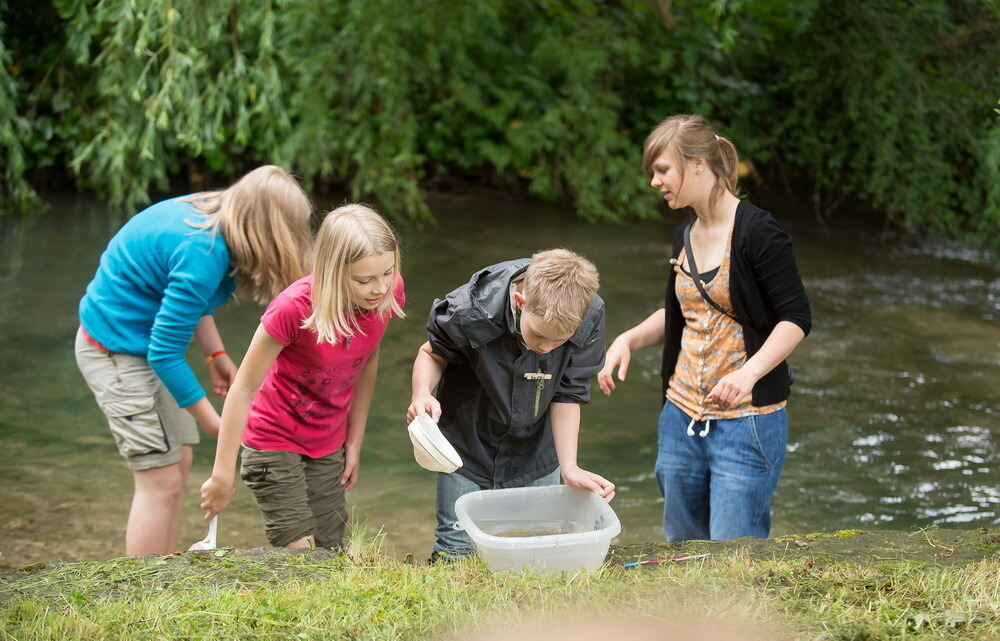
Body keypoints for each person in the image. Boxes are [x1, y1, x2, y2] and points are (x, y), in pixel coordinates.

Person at [75, 165, 313, 555]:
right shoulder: (203, 251)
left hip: (135, 345)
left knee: (177, 464)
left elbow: (185, 299)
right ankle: (143, 588)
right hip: (115, 352)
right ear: (271, 234)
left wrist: (215, 354)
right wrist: (220, 425)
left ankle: (162, 569)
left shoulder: (216, 217)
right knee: (160, 477)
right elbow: (164, 352)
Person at [597, 114, 811, 542]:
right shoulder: (684, 235)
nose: (655, 182)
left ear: (697, 164)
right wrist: (628, 339)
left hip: (746, 421)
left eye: (662, 170)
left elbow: (796, 320)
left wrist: (749, 374)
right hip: (680, 418)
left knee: (733, 558)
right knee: (683, 551)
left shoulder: (759, 232)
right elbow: (682, 313)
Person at [199, 204, 405, 550]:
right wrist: (222, 474)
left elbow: (367, 363)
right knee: (300, 555)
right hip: (272, 439)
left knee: (331, 549)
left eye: (387, 273)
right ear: (332, 271)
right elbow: (242, 389)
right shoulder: (292, 309)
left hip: (327, 442)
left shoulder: (387, 294)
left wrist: (353, 443)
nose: (380, 288)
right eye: (364, 280)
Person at [406, 249, 616, 561]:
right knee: (455, 546)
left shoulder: (588, 313)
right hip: (467, 445)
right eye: (540, 335)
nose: (547, 348)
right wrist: (422, 392)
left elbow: (568, 393)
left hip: (537, 449)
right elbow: (433, 351)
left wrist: (569, 466)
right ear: (521, 302)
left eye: (560, 342)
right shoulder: (471, 309)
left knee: (538, 544)